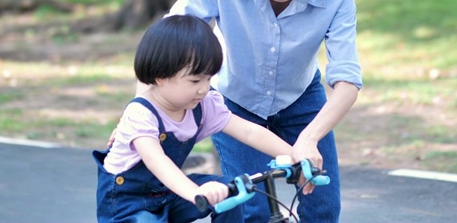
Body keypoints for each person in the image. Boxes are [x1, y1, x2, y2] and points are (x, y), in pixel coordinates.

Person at [136, 0, 362, 222]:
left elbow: (347, 79)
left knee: (323, 205)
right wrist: (141, 112)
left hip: (302, 98)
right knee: (247, 209)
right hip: (233, 100)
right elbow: (165, 44)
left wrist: (309, 139)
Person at [93, 15, 304, 222]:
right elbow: (157, 162)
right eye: (195, 80)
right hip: (127, 202)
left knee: (234, 190)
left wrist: (297, 156)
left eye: (209, 78)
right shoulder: (141, 114)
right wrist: (196, 192)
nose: (204, 89)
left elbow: (249, 132)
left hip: (167, 191)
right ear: (161, 77)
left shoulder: (203, 105)